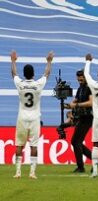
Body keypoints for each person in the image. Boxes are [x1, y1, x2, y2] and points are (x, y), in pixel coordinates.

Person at [11, 50, 53, 179]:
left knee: (19, 144)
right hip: (35, 117)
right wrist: (49, 61)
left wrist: (13, 61)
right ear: (33, 74)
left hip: (22, 117)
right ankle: (32, 173)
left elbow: (14, 74)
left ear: (24, 74)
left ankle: (18, 172)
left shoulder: (20, 84)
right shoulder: (37, 84)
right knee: (34, 145)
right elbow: (47, 73)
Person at [66, 69, 94, 173]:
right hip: (82, 116)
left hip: (88, 117)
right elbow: (75, 100)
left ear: (86, 77)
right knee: (76, 141)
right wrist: (69, 105)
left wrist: (76, 105)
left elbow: (91, 102)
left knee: (75, 141)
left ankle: (81, 167)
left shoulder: (90, 88)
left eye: (81, 79)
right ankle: (95, 160)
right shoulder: (80, 88)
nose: (80, 81)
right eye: (78, 79)